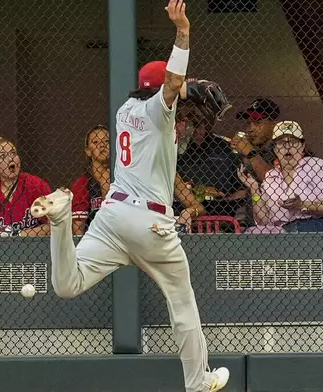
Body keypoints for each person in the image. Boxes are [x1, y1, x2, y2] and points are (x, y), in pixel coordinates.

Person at [29, 1, 230, 391]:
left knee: (67, 286)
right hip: (150, 223)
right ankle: (198, 380)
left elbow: (167, 91)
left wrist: (184, 91)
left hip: (112, 215)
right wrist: (183, 33)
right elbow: (171, 86)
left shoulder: (125, 108)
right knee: (182, 301)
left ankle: (60, 221)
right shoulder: (158, 109)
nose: (185, 97)